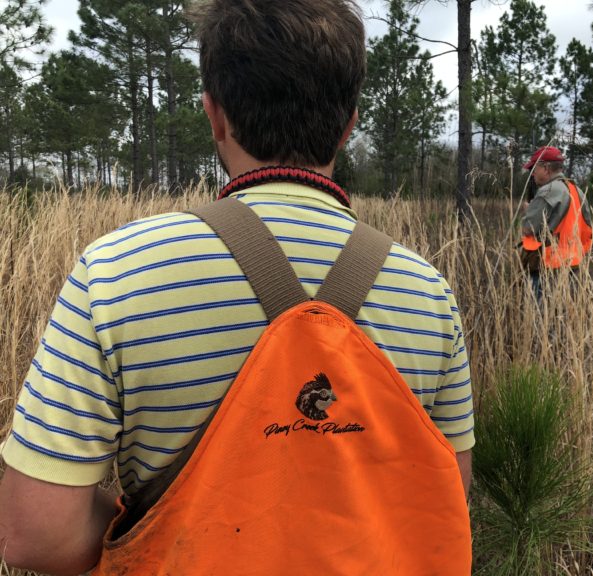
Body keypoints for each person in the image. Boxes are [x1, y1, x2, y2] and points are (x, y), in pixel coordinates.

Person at [0, 1, 474, 574]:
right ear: (349, 124)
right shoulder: (428, 294)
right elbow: (447, 498)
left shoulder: (114, 273)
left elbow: (37, 533)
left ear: (214, 115)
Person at [519, 145, 593, 299]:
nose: (532, 173)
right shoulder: (576, 190)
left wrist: (528, 210)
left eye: (534, 168)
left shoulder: (549, 190)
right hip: (572, 265)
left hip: (547, 268)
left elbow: (528, 228)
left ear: (546, 168)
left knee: (539, 317)